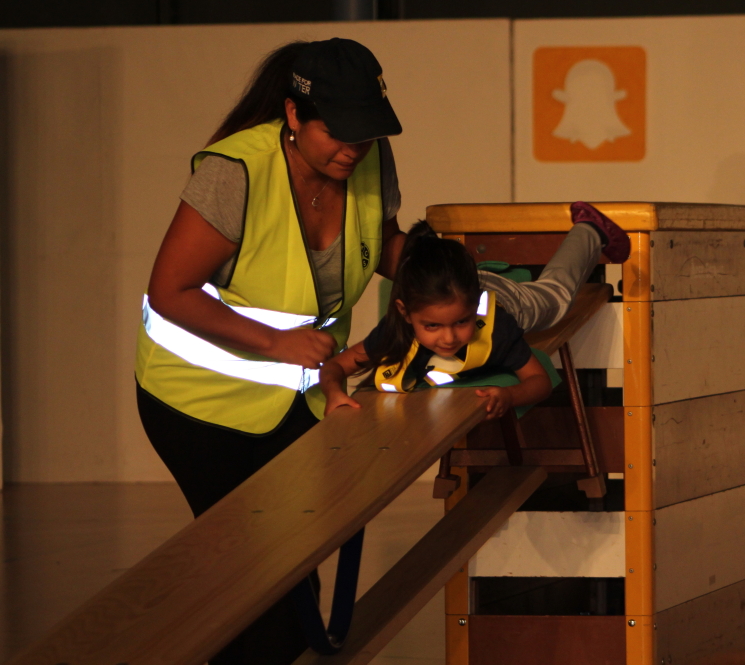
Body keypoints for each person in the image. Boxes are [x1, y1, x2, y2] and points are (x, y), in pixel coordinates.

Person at [136, 38, 406, 665]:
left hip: (299, 396)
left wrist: (445, 273)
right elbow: (170, 290)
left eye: (366, 134)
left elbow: (383, 244)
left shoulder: (370, 159)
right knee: (252, 578)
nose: (353, 149)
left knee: (292, 569)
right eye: (337, 133)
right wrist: (275, 342)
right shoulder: (235, 171)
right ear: (292, 115)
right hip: (197, 404)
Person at [319, 203, 630, 413]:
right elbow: (334, 367)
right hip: (462, 287)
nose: (448, 338)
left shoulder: (499, 327)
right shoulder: (394, 330)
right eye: (432, 326)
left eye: (461, 322)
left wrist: (510, 396)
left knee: (556, 297)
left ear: (473, 307)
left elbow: (539, 381)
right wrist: (333, 392)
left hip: (508, 299)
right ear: (405, 313)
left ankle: (590, 229)